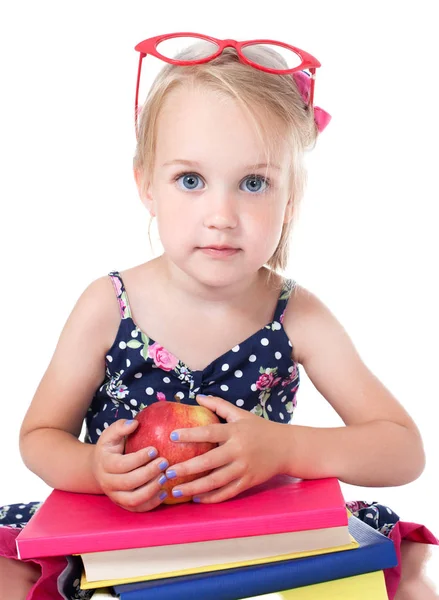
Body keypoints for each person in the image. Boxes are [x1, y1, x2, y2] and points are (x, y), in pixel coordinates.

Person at [0, 33, 437, 600]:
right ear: (147, 186)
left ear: (290, 201)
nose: (222, 215)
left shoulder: (296, 315)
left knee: (420, 569)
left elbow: (402, 449)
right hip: (119, 543)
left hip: (259, 543)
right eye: (191, 180)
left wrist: (284, 449)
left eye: (254, 183)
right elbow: (39, 437)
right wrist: (96, 471)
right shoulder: (108, 305)